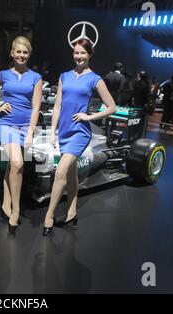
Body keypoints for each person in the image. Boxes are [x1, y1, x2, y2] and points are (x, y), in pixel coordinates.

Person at [42, 38, 116, 237]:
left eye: (83, 53)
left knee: (60, 172)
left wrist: (89, 116)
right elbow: (57, 106)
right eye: (76, 52)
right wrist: (52, 132)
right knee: (71, 174)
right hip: (64, 131)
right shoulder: (64, 76)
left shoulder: (95, 79)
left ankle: (49, 216)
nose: (79, 56)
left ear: (90, 55)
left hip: (80, 132)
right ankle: (72, 212)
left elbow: (112, 107)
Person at [0, 36, 42, 235]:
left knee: (11, 166)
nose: (21, 55)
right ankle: (16, 210)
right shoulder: (3, 75)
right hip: (7, 124)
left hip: (25, 127)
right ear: (12, 53)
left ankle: (6, 203)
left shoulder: (36, 78)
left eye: (25, 52)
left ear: (29, 54)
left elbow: (36, 107)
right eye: (18, 52)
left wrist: (31, 132)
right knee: (17, 164)